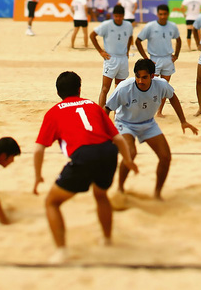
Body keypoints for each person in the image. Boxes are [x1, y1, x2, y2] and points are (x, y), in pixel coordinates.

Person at [33, 71, 137, 263]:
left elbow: (39, 149)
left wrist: (38, 176)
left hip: (84, 155)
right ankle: (106, 240)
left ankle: (62, 251)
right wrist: (128, 160)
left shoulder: (54, 112)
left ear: (58, 93)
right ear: (79, 89)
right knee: (100, 194)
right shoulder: (92, 105)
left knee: (52, 203)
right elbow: (118, 139)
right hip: (108, 152)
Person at [105, 59, 198, 200]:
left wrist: (183, 121)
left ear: (152, 76)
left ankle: (157, 193)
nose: (140, 81)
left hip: (148, 123)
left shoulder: (161, 85)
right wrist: (103, 132)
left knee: (166, 157)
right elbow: (106, 109)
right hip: (125, 123)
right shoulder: (124, 87)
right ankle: (120, 188)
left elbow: (173, 98)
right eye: (137, 76)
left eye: (144, 77)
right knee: (130, 153)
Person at [135, 4, 182, 117]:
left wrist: (176, 55)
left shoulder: (172, 26)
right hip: (154, 59)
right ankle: (146, 109)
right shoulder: (150, 26)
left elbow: (179, 40)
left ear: (168, 14)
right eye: (160, 14)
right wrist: (146, 58)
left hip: (167, 59)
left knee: (164, 87)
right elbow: (138, 41)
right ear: (157, 14)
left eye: (165, 14)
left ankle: (159, 111)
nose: (162, 16)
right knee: (149, 86)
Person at [90, 5, 133, 108]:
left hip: (123, 59)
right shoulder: (106, 25)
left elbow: (130, 37)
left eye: (120, 16)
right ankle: (101, 113)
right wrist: (100, 51)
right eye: (116, 16)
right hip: (111, 59)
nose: (118, 18)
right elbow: (92, 35)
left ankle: (117, 114)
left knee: (120, 89)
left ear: (123, 16)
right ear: (114, 15)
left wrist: (127, 50)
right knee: (105, 88)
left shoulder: (128, 25)